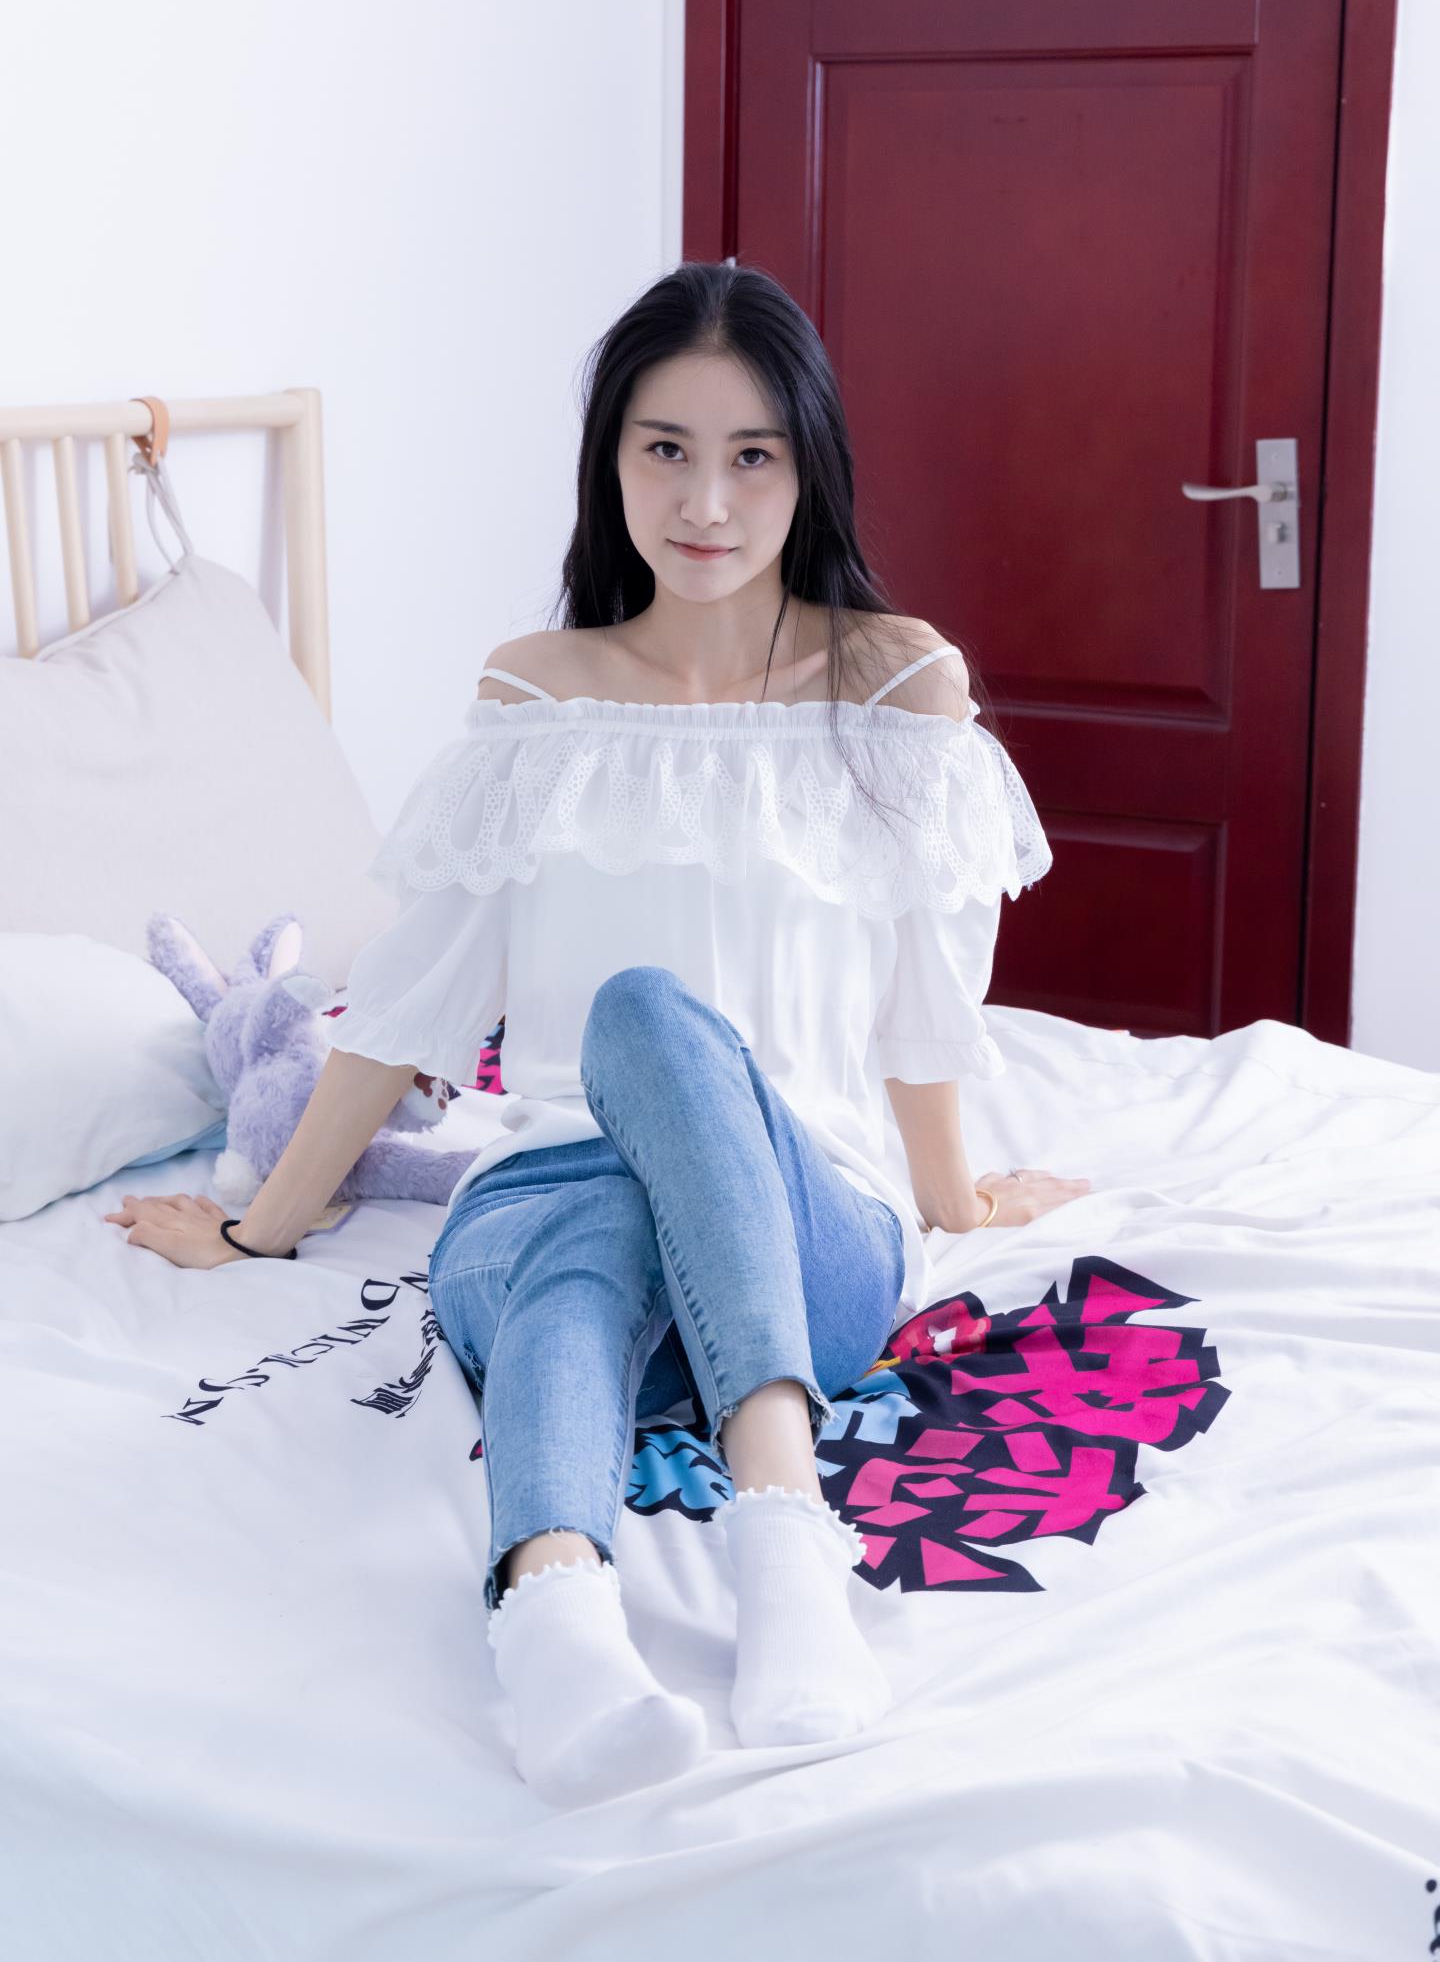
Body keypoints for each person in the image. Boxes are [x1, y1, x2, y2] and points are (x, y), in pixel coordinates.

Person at [107, 260, 1089, 1809]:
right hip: (548, 1197)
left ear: (808, 467)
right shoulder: (539, 694)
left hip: (806, 1226)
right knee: (597, 1206)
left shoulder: (896, 683)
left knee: (647, 1016)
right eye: (665, 449)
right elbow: (414, 1000)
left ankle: (775, 1544)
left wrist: (955, 1196)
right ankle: (561, 1629)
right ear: (611, 460)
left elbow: (922, 1000)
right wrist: (256, 1225)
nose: (705, 500)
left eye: (751, 454)